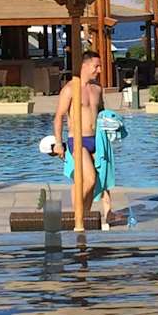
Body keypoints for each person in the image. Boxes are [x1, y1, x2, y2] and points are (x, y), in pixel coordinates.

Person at [53, 50, 106, 219]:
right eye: (96, 66)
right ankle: (76, 217)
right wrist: (58, 143)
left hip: (96, 139)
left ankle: (85, 217)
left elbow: (102, 113)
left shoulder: (97, 88)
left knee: (94, 182)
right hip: (78, 140)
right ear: (84, 66)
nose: (99, 70)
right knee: (89, 179)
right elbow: (59, 116)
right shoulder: (70, 89)